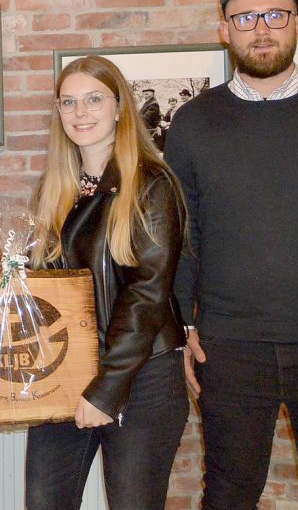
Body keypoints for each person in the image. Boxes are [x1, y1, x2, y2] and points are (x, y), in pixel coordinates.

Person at [164, 0, 298, 509]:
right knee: (228, 493)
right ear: (224, 29)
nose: (261, 28)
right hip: (230, 344)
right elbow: (184, 232)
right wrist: (185, 323)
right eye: (245, 17)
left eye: (275, 14)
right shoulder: (194, 123)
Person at [25, 55, 188, 510]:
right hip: (68, 369)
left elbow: (147, 293)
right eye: (69, 102)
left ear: (120, 107)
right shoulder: (53, 189)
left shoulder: (152, 184)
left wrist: (107, 388)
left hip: (142, 375)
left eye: (94, 99)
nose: (81, 112)